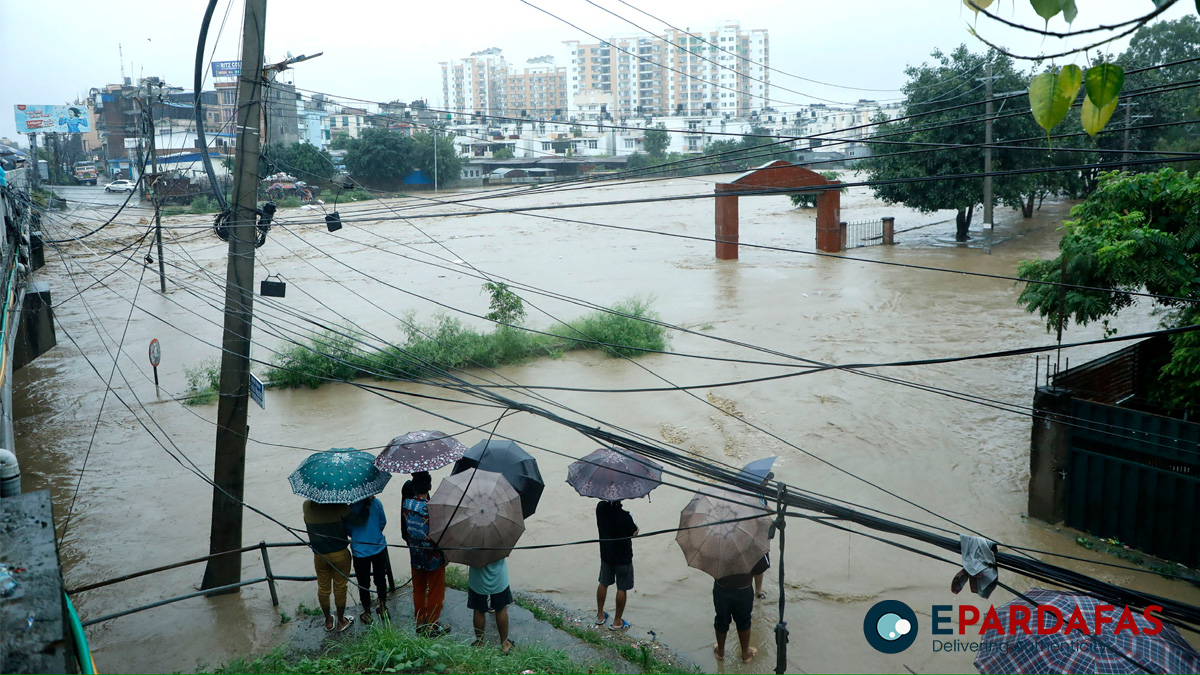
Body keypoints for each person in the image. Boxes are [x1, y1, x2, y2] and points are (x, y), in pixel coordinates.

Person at [302, 500, 360, 632]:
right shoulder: (339, 505)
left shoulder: (307, 505)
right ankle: (341, 621)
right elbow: (356, 521)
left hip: (319, 555)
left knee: (323, 588)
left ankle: (328, 621)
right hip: (339, 553)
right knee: (340, 588)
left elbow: (307, 522)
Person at [402, 471, 448, 635]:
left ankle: (420, 622)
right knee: (436, 591)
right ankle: (433, 626)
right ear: (429, 486)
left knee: (419, 589)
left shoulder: (406, 504)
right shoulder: (431, 508)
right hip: (433, 557)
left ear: (413, 487)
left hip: (415, 554)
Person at [713, 555, 768, 664]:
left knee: (721, 618)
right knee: (744, 621)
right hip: (743, 589)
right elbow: (761, 568)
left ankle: (720, 652)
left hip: (721, 587)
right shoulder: (752, 546)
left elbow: (710, 565)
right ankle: (745, 654)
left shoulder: (717, 543)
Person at [595, 499, 638, 631]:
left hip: (606, 555)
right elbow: (634, 532)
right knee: (622, 588)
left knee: (603, 583)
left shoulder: (600, 508)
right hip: (623, 559)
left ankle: (600, 615)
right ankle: (617, 622)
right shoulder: (625, 516)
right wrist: (631, 519)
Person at [348, 495, 389, 624]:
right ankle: (382, 608)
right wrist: (375, 534)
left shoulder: (349, 508)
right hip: (378, 547)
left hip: (360, 552)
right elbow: (383, 521)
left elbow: (348, 530)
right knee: (381, 579)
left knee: (363, 584)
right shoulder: (376, 502)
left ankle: (367, 613)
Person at [468, 557, 514, 654]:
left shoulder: (471, 541)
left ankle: (479, 644)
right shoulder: (499, 541)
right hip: (499, 578)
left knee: (478, 610)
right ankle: (504, 643)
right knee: (501, 608)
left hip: (477, 579)